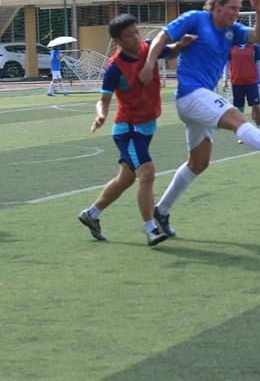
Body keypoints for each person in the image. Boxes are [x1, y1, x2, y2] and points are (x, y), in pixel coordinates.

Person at [138, 0, 260, 238]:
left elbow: (259, 38)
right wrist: (150, 63)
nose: (236, 14)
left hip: (202, 98)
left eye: (240, 9)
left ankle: (162, 210)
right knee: (235, 116)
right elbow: (163, 36)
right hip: (190, 94)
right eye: (233, 8)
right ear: (217, 6)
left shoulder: (233, 30)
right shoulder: (195, 18)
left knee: (198, 163)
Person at [80, 14, 193, 246]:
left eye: (136, 32)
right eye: (129, 35)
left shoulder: (149, 49)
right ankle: (151, 229)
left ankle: (91, 214)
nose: (135, 37)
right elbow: (104, 99)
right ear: (118, 41)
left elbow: (169, 51)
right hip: (127, 129)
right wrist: (101, 114)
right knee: (147, 173)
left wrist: (182, 44)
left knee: (125, 179)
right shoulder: (115, 67)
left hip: (147, 127)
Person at [222, 41, 260, 131]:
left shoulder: (254, 47)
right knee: (239, 109)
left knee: (256, 106)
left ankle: (258, 130)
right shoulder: (231, 47)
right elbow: (226, 64)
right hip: (236, 83)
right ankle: (242, 132)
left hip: (251, 82)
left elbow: (259, 64)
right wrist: (225, 80)